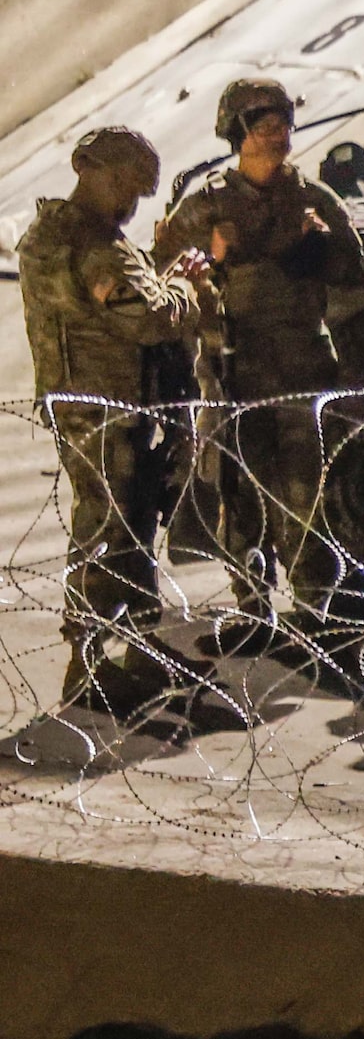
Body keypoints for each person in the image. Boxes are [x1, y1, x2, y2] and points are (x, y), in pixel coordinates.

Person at [153, 80, 364, 649]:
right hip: (232, 368)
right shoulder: (207, 204)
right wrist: (212, 264)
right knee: (239, 492)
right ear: (237, 133)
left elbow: (354, 270)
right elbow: (162, 281)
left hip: (299, 365)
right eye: (264, 127)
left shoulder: (313, 200)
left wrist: (319, 250)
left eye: (283, 126)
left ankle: (314, 606)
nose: (277, 137)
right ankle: (251, 605)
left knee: (304, 489)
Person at [20, 127, 217, 720]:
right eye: (127, 186)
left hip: (100, 402)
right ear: (95, 171)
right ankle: (90, 663)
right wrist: (188, 287)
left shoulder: (52, 234)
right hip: (104, 407)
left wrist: (158, 270)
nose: (132, 203)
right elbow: (146, 317)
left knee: (130, 524)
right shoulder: (92, 244)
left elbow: (114, 297)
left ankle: (132, 646)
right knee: (108, 528)